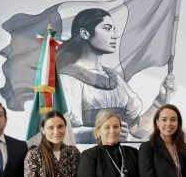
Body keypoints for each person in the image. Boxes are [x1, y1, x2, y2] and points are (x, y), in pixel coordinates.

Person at [58, 8, 175, 143]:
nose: (114, 36)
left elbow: (136, 130)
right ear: (85, 33)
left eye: (113, 30)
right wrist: (101, 133)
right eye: (107, 29)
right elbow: (62, 133)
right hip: (89, 154)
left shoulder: (115, 78)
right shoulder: (68, 78)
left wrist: (160, 100)